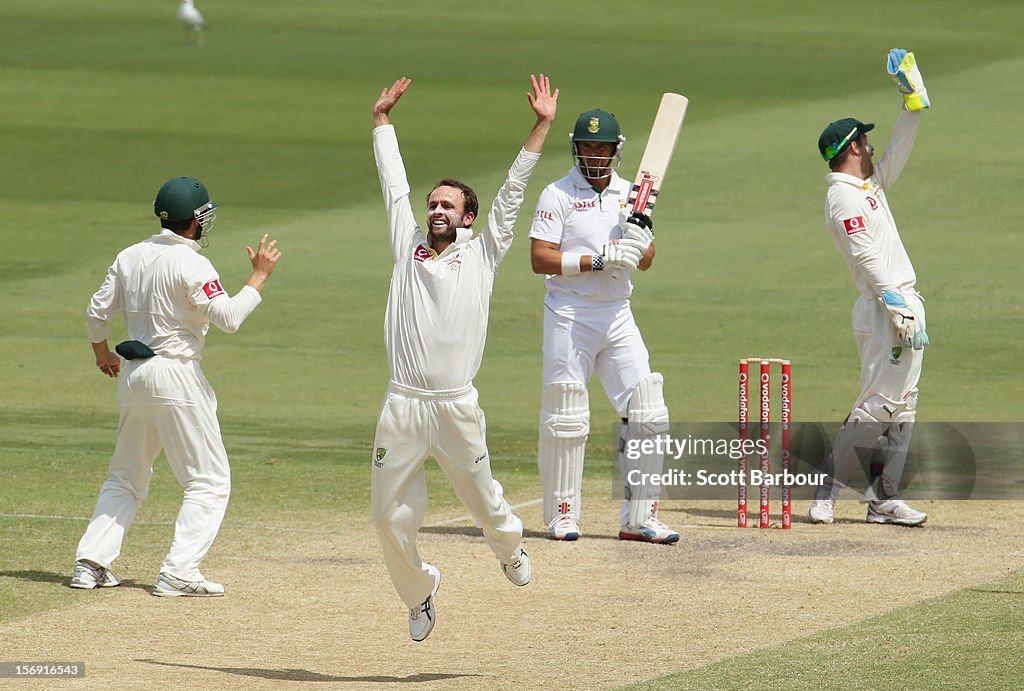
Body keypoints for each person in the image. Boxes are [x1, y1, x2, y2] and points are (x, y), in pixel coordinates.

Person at [370, 74, 557, 642]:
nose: (436, 208)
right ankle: (420, 592)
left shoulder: (483, 252)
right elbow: (393, 187)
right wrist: (382, 123)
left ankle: (509, 547)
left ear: (468, 217)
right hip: (402, 405)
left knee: (486, 503)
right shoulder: (407, 243)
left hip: (455, 407)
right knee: (387, 518)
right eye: (434, 203)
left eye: (448, 204)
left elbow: (512, 192)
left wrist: (543, 124)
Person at [72, 176, 281, 596]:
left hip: (133, 375)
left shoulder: (130, 255)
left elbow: (96, 311)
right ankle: (179, 571)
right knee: (208, 480)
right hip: (175, 376)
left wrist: (101, 355)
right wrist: (258, 277)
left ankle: (90, 564)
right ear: (197, 220)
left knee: (126, 475)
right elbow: (229, 319)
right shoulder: (194, 264)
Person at [529, 107, 679, 544]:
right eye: (588, 146)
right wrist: (597, 259)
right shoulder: (556, 194)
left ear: (616, 150)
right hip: (569, 313)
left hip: (617, 314)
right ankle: (562, 515)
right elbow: (540, 258)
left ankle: (640, 517)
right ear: (576, 148)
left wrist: (640, 244)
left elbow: (646, 261)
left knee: (648, 409)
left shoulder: (632, 195)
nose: (595, 154)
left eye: (603, 147)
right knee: (566, 413)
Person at [807, 49, 931, 526]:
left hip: (900, 303)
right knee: (879, 402)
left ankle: (883, 498)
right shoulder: (841, 196)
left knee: (904, 402)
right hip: (884, 306)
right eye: (866, 142)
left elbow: (900, 147)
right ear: (852, 147)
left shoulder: (868, 187)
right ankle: (827, 495)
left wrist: (911, 102)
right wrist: (895, 303)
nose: (873, 147)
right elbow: (864, 254)